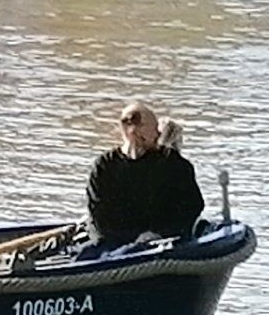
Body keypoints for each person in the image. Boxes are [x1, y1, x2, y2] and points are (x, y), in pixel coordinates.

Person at [83, 101, 205, 253]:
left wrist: (157, 233)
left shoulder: (172, 164)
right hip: (112, 244)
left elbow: (191, 207)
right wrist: (124, 241)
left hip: (160, 242)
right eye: (154, 129)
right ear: (133, 130)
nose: (159, 134)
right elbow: (98, 213)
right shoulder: (104, 166)